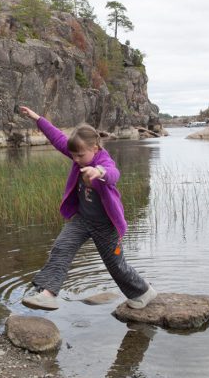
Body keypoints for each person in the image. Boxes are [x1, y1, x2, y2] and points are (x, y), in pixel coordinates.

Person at [18, 106, 157, 310]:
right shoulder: (79, 154)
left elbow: (113, 173)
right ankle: (47, 294)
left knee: (116, 266)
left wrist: (98, 171)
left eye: (80, 156)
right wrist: (37, 118)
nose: (75, 159)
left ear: (95, 148)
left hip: (106, 225)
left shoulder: (103, 160)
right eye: (73, 155)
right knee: (61, 247)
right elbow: (57, 138)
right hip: (82, 220)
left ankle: (144, 292)